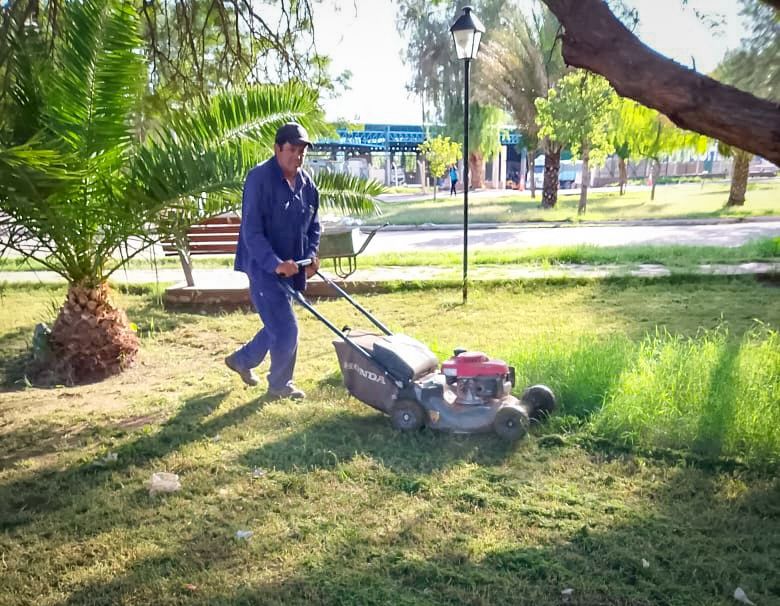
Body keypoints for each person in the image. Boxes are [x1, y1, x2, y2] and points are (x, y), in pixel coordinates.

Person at [224, 122, 321, 400]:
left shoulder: (306, 183)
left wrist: (312, 255)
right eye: (292, 149)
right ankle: (280, 385)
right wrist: (275, 262)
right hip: (263, 268)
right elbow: (251, 231)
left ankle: (242, 360)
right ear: (277, 148)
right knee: (287, 328)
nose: (298, 156)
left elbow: (314, 225)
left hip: (292, 269)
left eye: (302, 151)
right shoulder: (259, 179)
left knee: (276, 324)